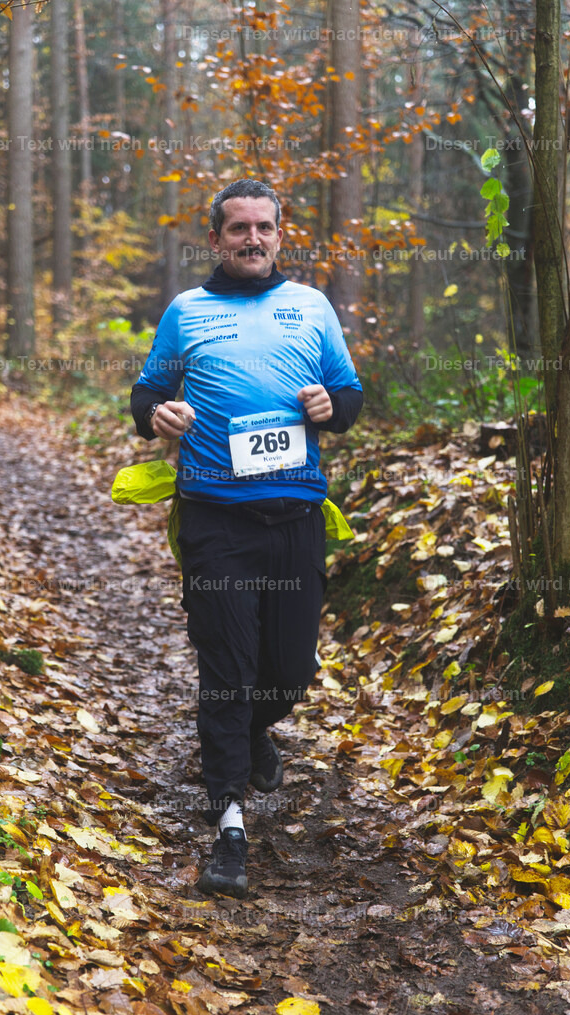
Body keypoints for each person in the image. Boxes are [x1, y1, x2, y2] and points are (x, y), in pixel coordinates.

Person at [131, 178, 362, 898]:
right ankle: (229, 823)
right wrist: (159, 416)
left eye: (265, 226)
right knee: (226, 669)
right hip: (215, 519)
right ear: (216, 239)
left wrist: (332, 406)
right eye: (239, 229)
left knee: (288, 671)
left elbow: (349, 398)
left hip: (294, 520)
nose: (253, 239)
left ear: (280, 235)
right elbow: (146, 397)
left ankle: (256, 728)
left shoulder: (311, 307)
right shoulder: (187, 312)